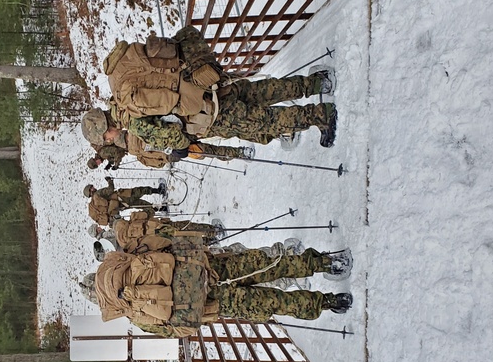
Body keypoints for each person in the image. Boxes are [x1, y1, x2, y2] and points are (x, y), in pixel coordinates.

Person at [98, 26, 338, 151]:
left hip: (212, 114)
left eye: (106, 137)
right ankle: (317, 82)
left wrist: (178, 148)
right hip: (207, 81)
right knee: (263, 90)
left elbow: (176, 138)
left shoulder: (133, 119)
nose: (110, 139)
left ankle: (321, 115)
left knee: (266, 121)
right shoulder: (123, 82)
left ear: (107, 128)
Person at [81, 233, 352, 336]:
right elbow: (164, 241)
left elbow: (174, 329)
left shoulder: (131, 311)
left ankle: (328, 302)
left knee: (273, 302)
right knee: (266, 264)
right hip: (209, 267)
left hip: (214, 302)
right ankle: (327, 263)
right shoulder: (127, 257)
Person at [81, 108, 255, 168]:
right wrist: (168, 157)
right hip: (161, 146)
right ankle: (238, 153)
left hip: (169, 135)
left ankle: (251, 138)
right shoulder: (112, 143)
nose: (108, 140)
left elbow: (121, 149)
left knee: (214, 130)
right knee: (205, 151)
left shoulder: (121, 133)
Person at [84, 177, 166, 226]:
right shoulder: (98, 194)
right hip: (124, 196)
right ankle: (159, 190)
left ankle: (161, 208)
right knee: (140, 191)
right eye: (92, 187)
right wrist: (110, 181)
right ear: (90, 191)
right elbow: (110, 189)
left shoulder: (95, 205)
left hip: (122, 205)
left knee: (141, 204)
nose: (93, 187)